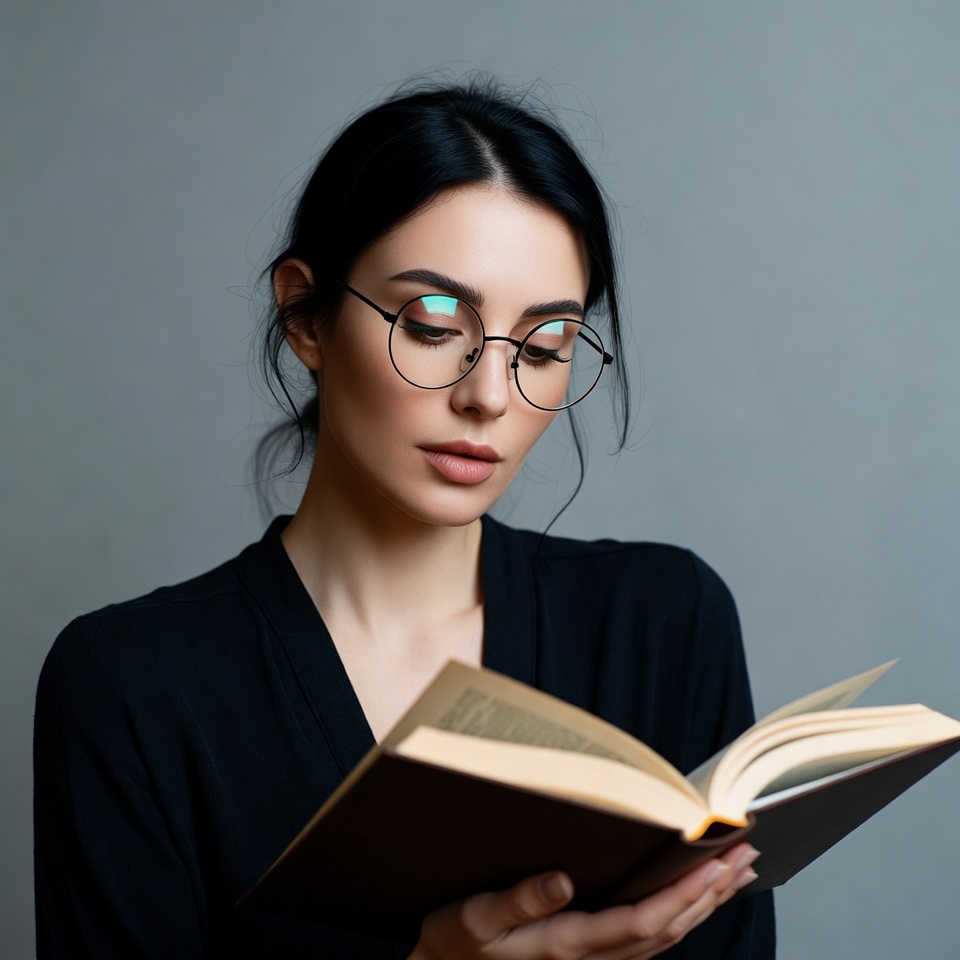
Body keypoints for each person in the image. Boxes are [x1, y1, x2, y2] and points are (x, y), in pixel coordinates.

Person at [34, 78, 775, 958]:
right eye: (431, 325)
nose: (490, 395)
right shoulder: (132, 687)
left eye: (545, 348)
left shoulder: (661, 621)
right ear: (305, 315)